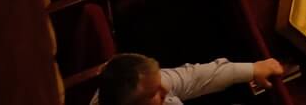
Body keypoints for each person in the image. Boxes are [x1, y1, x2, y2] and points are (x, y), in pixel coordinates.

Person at [93, 53, 287, 105]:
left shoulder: (139, 83)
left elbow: (194, 77)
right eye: (154, 93)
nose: (165, 89)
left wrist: (253, 69)